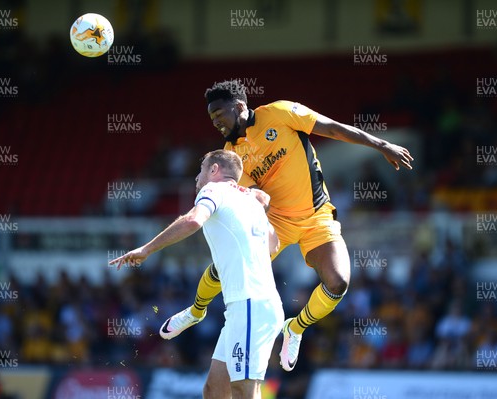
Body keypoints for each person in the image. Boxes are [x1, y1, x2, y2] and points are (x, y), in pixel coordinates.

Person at [162, 79, 414, 393]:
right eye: (211, 118)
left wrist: (382, 145)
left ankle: (295, 328)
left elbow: (333, 128)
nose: (215, 122)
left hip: (317, 217)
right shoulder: (230, 154)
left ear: (240, 106)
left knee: (338, 283)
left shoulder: (280, 113)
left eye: (219, 114)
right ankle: (196, 310)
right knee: (223, 267)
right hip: (276, 223)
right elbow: (237, 194)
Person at [110, 149, 284, 399]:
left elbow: (193, 221)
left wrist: (147, 249)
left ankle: (195, 312)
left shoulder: (213, 190)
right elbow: (273, 246)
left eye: (201, 169)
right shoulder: (252, 202)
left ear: (214, 170)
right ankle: (195, 312)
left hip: (250, 305)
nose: (196, 176)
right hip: (247, 307)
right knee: (215, 390)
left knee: (245, 391)